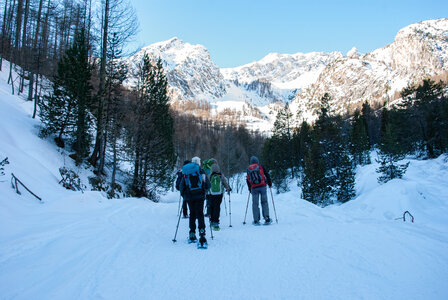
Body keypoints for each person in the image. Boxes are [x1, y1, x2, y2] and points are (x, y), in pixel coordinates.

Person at [179, 156, 211, 247]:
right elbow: (208, 185)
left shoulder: (186, 172)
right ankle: (202, 233)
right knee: (200, 214)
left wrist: (184, 195)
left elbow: (181, 186)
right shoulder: (201, 171)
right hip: (200, 196)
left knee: (192, 214)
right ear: (199, 163)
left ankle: (192, 233)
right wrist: (205, 190)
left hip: (189, 197)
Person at [246, 156, 272, 225]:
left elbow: (248, 179)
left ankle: (256, 220)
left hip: (254, 188)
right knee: (264, 202)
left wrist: (250, 188)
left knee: (255, 204)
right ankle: (266, 218)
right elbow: (267, 174)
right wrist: (269, 183)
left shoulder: (248, 169)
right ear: (257, 161)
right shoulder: (260, 166)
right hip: (262, 186)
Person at [208, 161, 231, 231]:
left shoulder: (210, 175)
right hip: (219, 194)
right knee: (217, 207)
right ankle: (216, 222)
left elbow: (207, 184)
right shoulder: (220, 175)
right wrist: (228, 188)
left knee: (211, 207)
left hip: (211, 194)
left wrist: (205, 192)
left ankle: (211, 221)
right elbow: (224, 182)